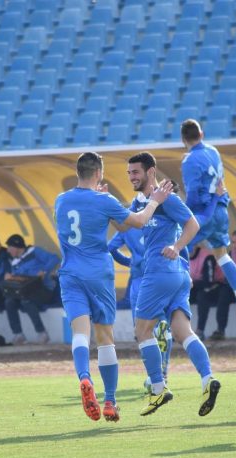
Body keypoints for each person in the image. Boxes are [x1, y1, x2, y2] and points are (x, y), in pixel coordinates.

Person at [54, 151, 171, 422]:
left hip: (70, 274)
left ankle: (84, 377)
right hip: (98, 273)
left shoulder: (61, 200)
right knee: (105, 337)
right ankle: (109, 401)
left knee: (80, 333)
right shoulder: (104, 200)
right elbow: (138, 222)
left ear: (78, 172)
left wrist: (105, 207)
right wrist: (154, 201)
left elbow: (119, 226)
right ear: (99, 173)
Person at [127, 152, 221, 418]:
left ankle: (158, 388)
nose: (132, 177)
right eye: (129, 173)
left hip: (160, 272)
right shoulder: (143, 202)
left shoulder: (166, 198)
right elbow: (127, 223)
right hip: (177, 276)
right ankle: (208, 379)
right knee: (183, 332)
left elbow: (192, 224)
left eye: (136, 172)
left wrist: (177, 247)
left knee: (142, 331)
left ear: (151, 172)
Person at [180, 119, 236, 316]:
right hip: (221, 210)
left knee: (177, 248)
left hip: (203, 213)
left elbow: (193, 194)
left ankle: (179, 299)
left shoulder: (189, 160)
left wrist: (184, 216)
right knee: (222, 254)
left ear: (183, 139)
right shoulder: (213, 151)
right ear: (201, 134)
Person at [2, 234, 59, 344]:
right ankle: (18, 334)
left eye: (10, 247)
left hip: (44, 289)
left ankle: (42, 333)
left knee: (26, 301)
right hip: (26, 291)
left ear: (16, 247)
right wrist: (11, 278)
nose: (8, 250)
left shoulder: (35, 251)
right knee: (9, 301)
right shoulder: (14, 262)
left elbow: (55, 258)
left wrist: (44, 270)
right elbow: (19, 281)